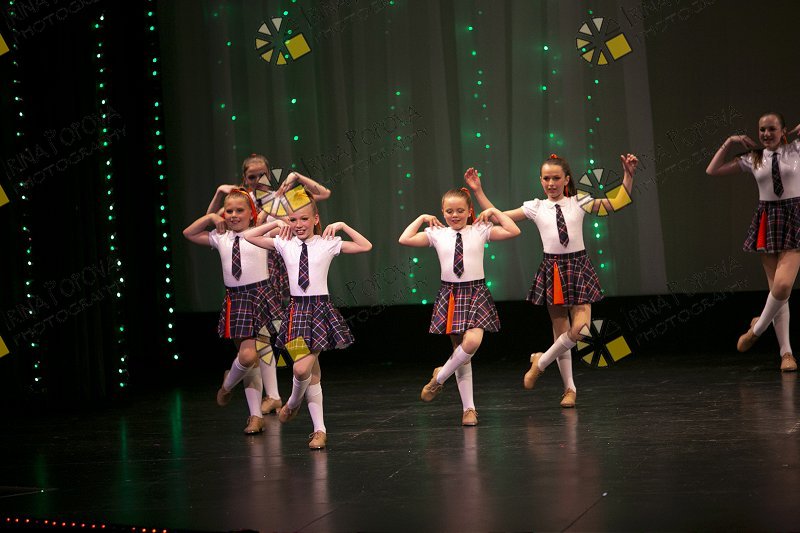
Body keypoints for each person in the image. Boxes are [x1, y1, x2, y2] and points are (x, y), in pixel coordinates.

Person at [466, 153, 638, 407]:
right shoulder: (536, 207)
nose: (551, 183)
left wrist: (628, 175)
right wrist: (478, 191)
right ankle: (569, 389)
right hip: (553, 269)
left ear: (566, 179)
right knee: (561, 331)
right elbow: (497, 216)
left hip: (578, 267)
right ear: (540, 180)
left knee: (581, 329)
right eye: (546, 178)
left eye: (556, 178)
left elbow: (617, 202)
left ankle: (541, 361)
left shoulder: (579, 201)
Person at [206, 154, 332, 416]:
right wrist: (219, 194)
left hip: (287, 270)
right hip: (256, 274)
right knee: (261, 339)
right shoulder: (241, 202)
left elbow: (322, 194)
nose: (257, 180)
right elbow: (214, 221)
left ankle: (301, 385)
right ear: (244, 178)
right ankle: (271, 396)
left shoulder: (280, 197)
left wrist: (296, 177)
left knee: (289, 333)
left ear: (269, 174)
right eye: (252, 176)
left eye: (262, 174)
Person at [244, 193, 372, 449]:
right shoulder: (284, 243)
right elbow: (249, 236)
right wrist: (275, 223)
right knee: (311, 374)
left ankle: (292, 404)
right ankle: (319, 431)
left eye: (304, 218)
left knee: (301, 370)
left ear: (315, 219)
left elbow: (365, 246)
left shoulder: (326, 243)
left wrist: (343, 226)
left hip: (320, 312)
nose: (299, 224)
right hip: (295, 314)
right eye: (293, 219)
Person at [399, 187, 520, 426]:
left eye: (460, 210)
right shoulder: (437, 233)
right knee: (461, 353)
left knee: (472, 342)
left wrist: (494, 212)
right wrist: (422, 218)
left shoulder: (480, 230)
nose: (455, 215)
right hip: (451, 294)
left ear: (469, 210)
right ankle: (469, 409)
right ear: (442, 212)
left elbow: (513, 230)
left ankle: (439, 378)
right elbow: (404, 239)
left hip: (476, 292)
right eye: (449, 211)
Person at [183, 189, 286, 434]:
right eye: (229, 211)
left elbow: (284, 227)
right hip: (237, 301)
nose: (233, 215)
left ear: (251, 213)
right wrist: (211, 217)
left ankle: (229, 386)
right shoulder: (221, 237)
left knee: (253, 356)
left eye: (240, 210)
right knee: (248, 358)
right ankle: (253, 414)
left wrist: (279, 221)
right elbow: (189, 233)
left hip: (261, 297)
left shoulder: (260, 232)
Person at [706, 112, 800, 372]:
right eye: (762, 130)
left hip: (795, 218)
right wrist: (730, 141)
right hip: (768, 220)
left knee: (782, 287)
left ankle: (756, 330)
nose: (766, 134)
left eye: (772, 129)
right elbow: (712, 170)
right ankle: (786, 354)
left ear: (783, 131)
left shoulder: (796, 149)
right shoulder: (754, 157)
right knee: (777, 293)